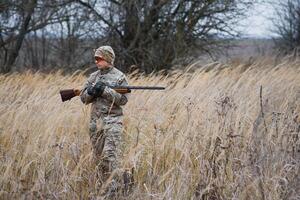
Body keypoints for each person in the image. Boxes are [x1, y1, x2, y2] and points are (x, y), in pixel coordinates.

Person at [80, 46, 129, 196]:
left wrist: (105, 91)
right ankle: (105, 189)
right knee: (99, 159)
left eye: (99, 58)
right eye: (95, 58)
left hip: (113, 121)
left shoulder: (120, 77)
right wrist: (91, 92)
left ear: (108, 59)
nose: (96, 61)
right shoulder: (93, 77)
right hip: (96, 124)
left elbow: (123, 100)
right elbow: (83, 98)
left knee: (110, 156)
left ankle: (115, 189)